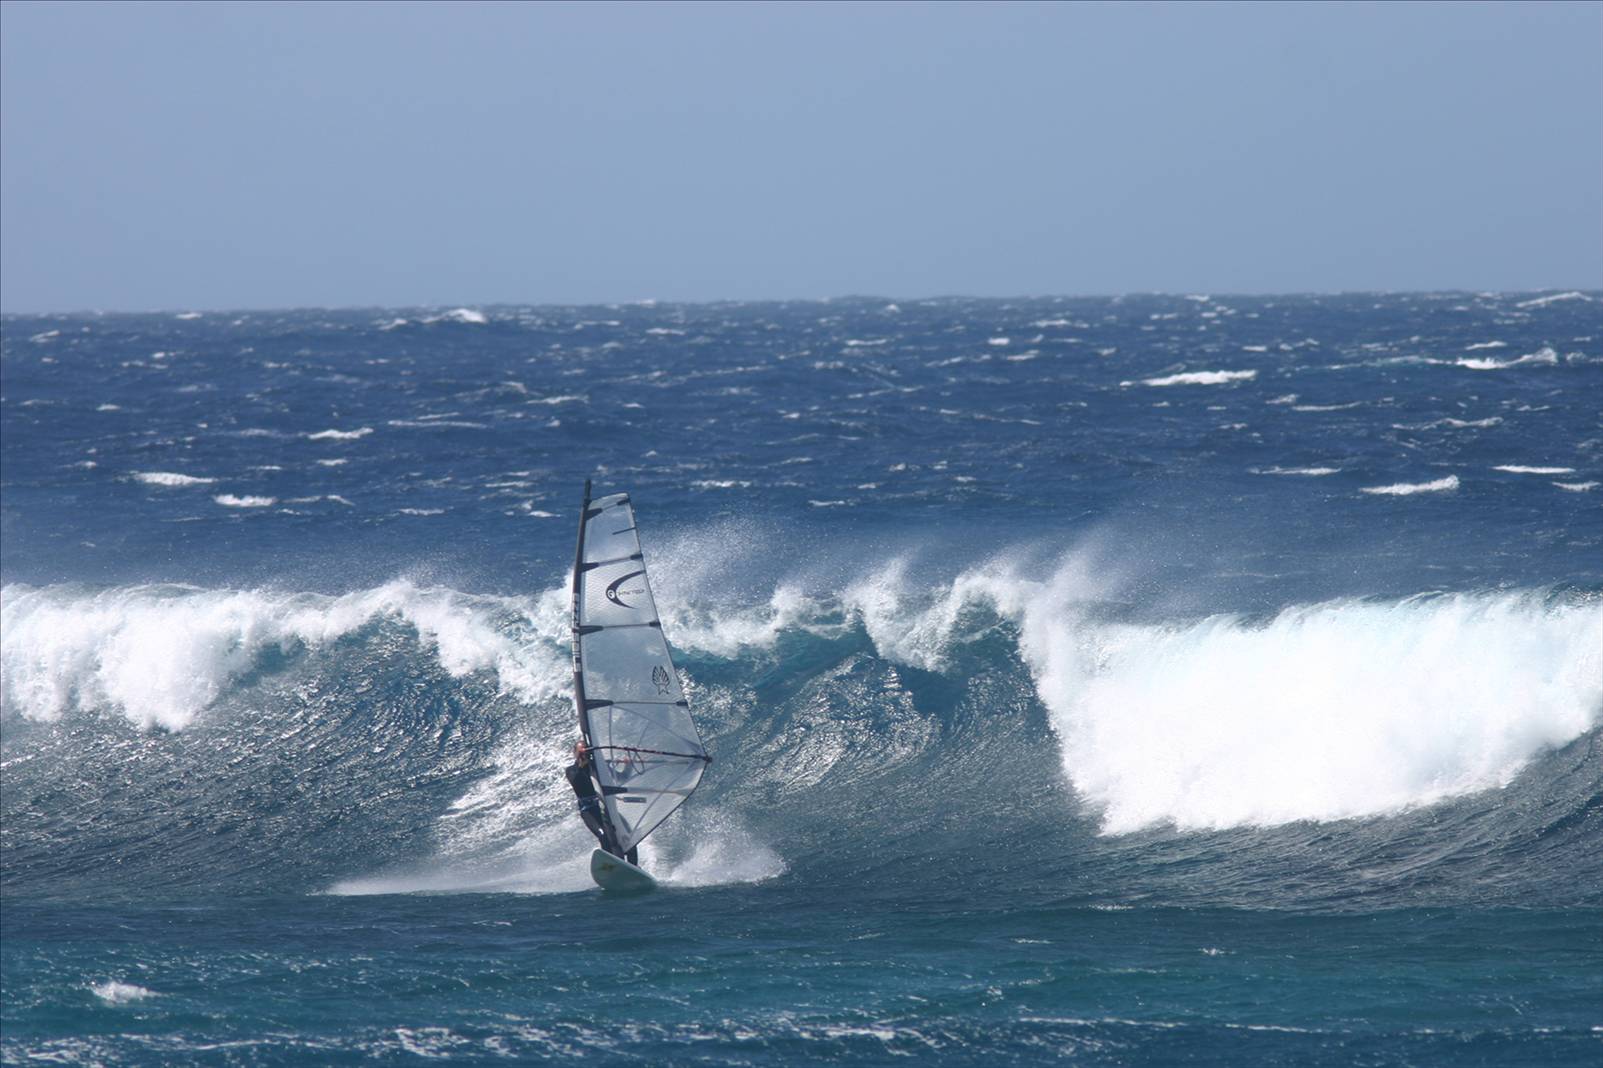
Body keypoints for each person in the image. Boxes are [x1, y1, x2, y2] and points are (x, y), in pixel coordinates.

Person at [565, 740, 638, 865]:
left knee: (628, 836)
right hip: (589, 811)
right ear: (575, 753)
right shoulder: (571, 770)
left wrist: (629, 765)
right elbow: (578, 781)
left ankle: (634, 867)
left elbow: (622, 777)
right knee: (604, 836)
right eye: (581, 752)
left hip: (606, 808)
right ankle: (614, 867)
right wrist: (584, 765)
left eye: (586, 752)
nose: (584, 755)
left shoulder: (599, 767)